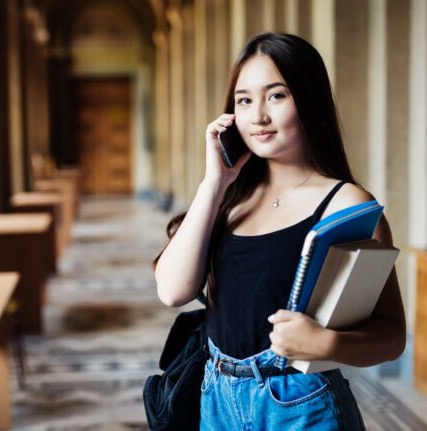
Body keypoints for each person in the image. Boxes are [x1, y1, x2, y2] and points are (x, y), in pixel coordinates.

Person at [154, 32, 406, 430]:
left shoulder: (347, 205)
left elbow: (392, 336)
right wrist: (213, 183)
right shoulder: (230, 198)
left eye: (276, 96)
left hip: (299, 404)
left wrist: (327, 344)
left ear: (308, 100)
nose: (258, 116)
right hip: (216, 398)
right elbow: (173, 291)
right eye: (244, 100)